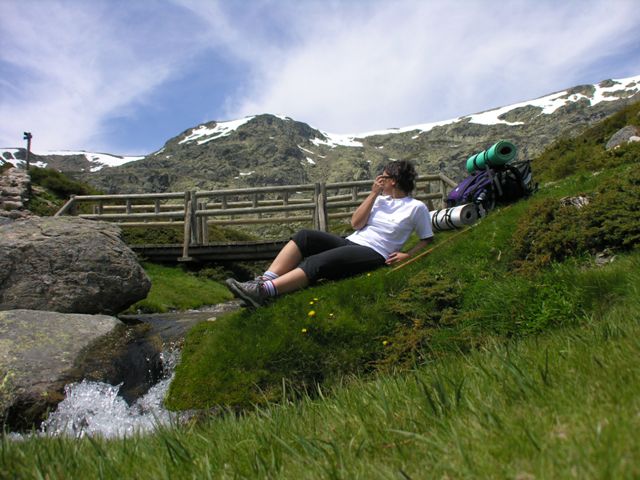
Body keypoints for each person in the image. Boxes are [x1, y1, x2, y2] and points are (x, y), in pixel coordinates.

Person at [226, 160, 434, 307]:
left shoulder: (416, 207)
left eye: (383, 177)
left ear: (393, 181)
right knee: (305, 236)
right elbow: (356, 224)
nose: (379, 180)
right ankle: (262, 282)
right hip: (352, 241)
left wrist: (408, 255)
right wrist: (373, 194)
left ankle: (265, 293)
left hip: (375, 252)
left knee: (317, 261)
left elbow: (427, 239)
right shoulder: (380, 200)